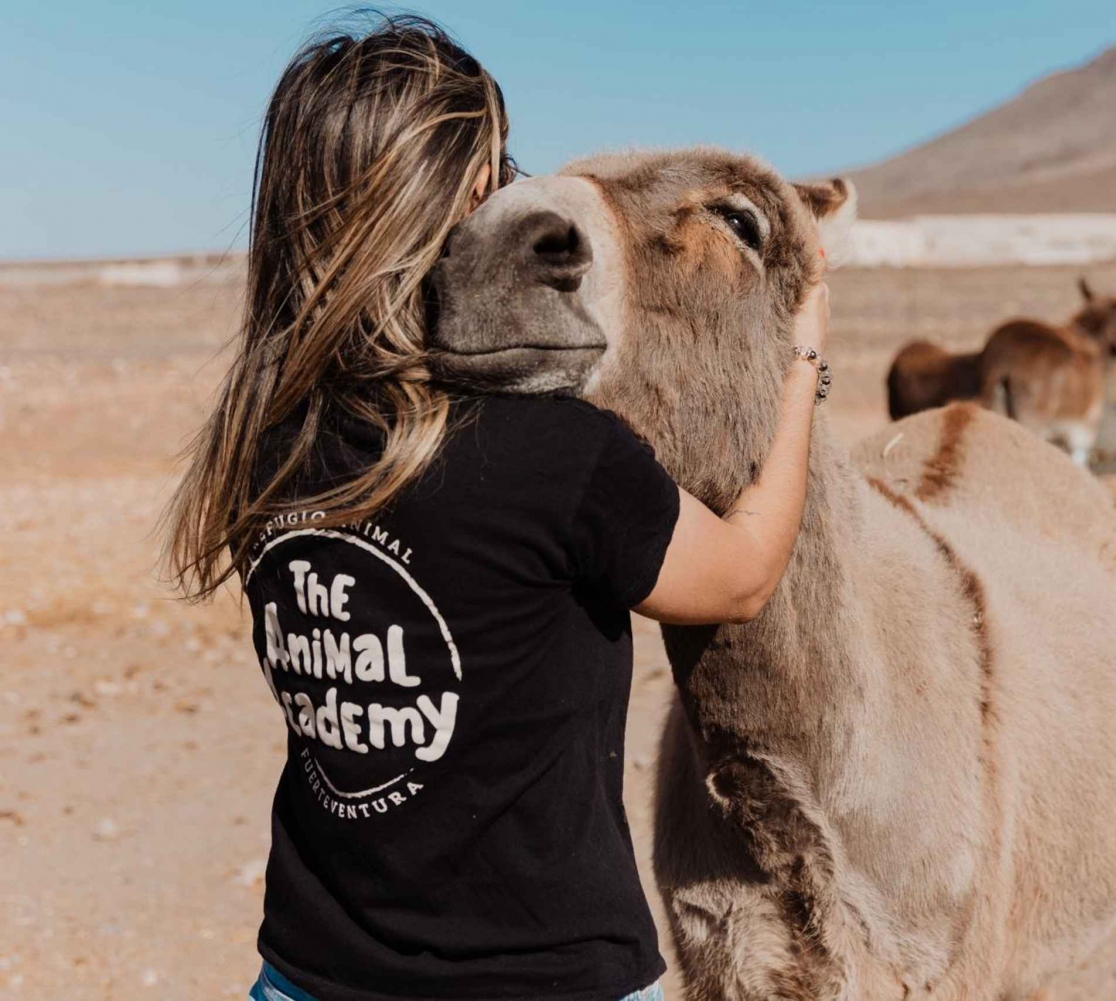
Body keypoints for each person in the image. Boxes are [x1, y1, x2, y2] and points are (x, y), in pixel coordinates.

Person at [163, 16, 830, 1001]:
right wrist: (801, 356)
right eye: (495, 169)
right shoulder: (554, 456)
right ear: (452, 199)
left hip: (309, 973)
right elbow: (741, 577)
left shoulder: (267, 440)